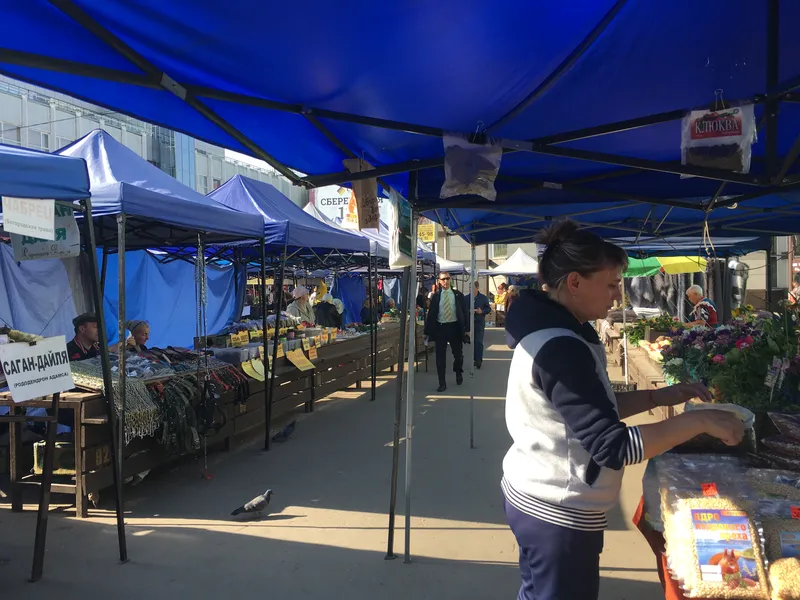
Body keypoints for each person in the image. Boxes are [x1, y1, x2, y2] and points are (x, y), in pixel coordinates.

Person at [501, 219, 745, 600]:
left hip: (539, 496)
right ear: (575, 283)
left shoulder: (561, 329)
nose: (617, 296)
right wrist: (696, 421)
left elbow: (591, 410)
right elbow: (611, 445)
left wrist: (657, 398)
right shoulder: (560, 346)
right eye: (612, 284)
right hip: (556, 510)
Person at [424, 272, 469, 392]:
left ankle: (458, 371)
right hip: (441, 328)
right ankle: (442, 383)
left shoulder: (458, 295)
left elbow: (465, 312)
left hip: (454, 327)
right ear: (439, 281)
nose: (446, 281)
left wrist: (467, 329)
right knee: (440, 358)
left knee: (458, 355)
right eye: (443, 279)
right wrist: (427, 331)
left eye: (448, 279)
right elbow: (432, 314)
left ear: (451, 280)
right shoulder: (436, 296)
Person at [467, 281, 491, 369]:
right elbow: (462, 309)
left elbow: (488, 309)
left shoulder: (483, 298)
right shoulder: (466, 298)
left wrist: (482, 311)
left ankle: (479, 360)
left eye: (472, 287)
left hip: (479, 323)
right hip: (469, 323)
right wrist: (468, 311)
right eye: (469, 288)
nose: (470, 289)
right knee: (472, 342)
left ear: (477, 288)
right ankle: (474, 359)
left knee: (479, 341)